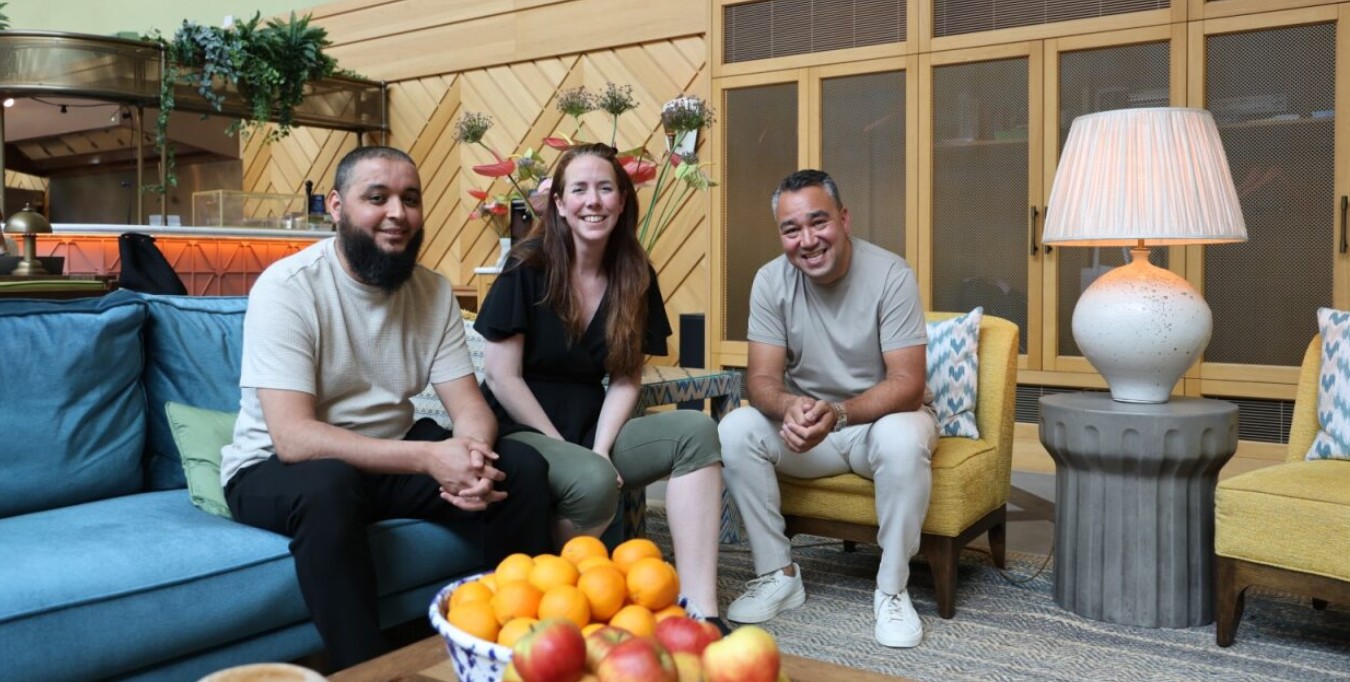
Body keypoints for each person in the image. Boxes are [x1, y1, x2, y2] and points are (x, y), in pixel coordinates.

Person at [219, 146, 552, 669]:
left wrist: (468, 456)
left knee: (521, 468)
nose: (398, 213)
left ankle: (512, 651)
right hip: (277, 467)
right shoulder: (287, 288)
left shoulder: (432, 291)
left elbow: (470, 406)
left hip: (385, 459)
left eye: (410, 199)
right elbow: (294, 438)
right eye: (377, 198)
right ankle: (368, 672)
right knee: (329, 485)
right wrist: (429, 458)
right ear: (336, 206)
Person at [474, 142, 727, 629]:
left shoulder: (635, 273)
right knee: (589, 478)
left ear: (622, 200)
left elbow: (626, 377)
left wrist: (602, 448)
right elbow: (502, 378)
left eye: (605, 188)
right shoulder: (527, 267)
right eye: (580, 190)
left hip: (593, 424)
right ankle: (568, 605)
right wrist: (570, 450)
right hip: (520, 429)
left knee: (696, 432)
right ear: (560, 205)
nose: (593, 200)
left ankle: (701, 611)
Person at [719, 169, 937, 648]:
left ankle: (892, 589)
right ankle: (778, 574)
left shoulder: (891, 275)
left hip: (878, 425)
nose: (807, 240)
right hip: (812, 432)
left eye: (818, 222)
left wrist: (837, 414)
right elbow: (761, 380)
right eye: (791, 229)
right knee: (735, 427)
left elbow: (907, 384)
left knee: (902, 439)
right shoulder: (770, 281)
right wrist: (792, 407)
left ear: (844, 219)